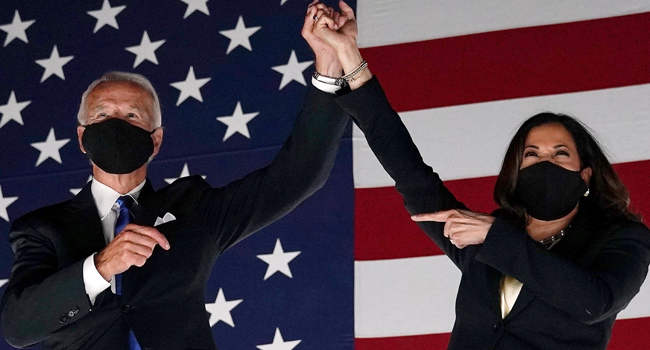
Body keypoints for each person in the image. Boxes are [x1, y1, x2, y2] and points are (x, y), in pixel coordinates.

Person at [0, 6, 351, 349]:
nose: (116, 125)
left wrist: (330, 67)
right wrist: (101, 266)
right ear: (81, 137)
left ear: (156, 140)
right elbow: (18, 327)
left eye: (132, 116)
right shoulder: (41, 229)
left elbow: (299, 175)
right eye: (102, 115)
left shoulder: (193, 208)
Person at [306, 2, 650, 349]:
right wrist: (349, 57)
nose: (545, 162)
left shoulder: (622, 239)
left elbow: (595, 302)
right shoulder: (484, 237)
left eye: (560, 154)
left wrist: (496, 237)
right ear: (515, 172)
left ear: (586, 175)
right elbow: (410, 173)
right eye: (531, 155)